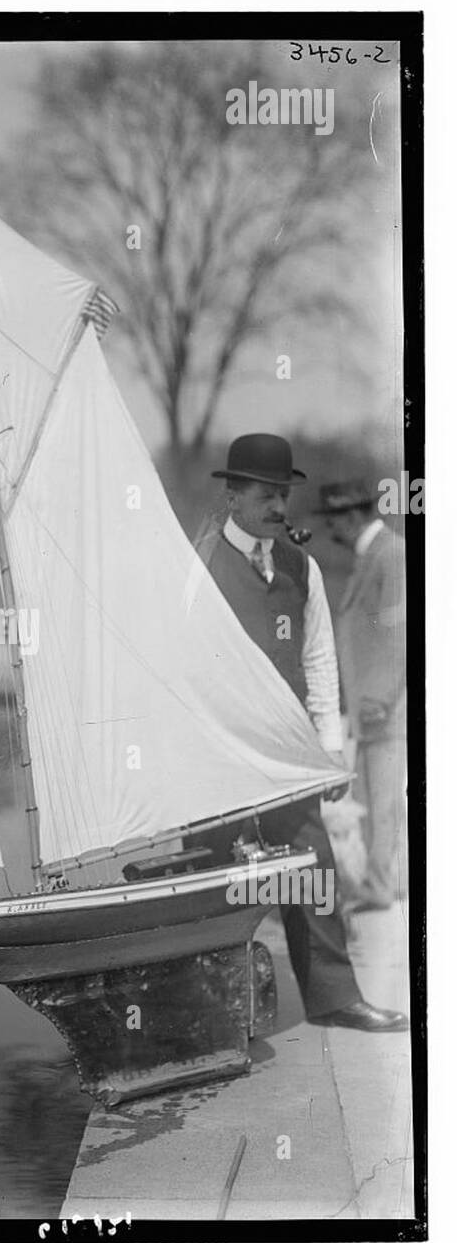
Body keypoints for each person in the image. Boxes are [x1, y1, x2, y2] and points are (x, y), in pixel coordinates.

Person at [190, 434, 407, 1033]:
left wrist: (330, 751)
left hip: (290, 758)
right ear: (233, 495)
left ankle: (336, 998)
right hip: (223, 757)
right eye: (266, 494)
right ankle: (210, 1017)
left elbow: (317, 660)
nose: (279, 507)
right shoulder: (199, 567)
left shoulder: (301, 565)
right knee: (215, 883)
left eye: (284, 494)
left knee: (314, 866)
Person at [315, 479, 407, 912]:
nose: (330, 527)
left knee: (381, 801)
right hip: (373, 705)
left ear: (352, 516)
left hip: (384, 707)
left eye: (333, 518)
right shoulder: (371, 556)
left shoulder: (390, 555)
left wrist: (381, 698)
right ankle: (390, 881)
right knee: (379, 800)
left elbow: (401, 634)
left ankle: (380, 887)